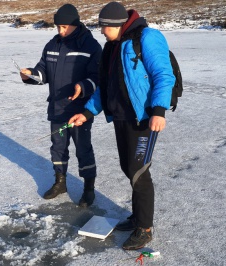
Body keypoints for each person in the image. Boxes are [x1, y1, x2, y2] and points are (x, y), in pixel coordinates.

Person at [68, 2, 175, 249]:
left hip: (144, 119)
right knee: (128, 167)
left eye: (104, 27)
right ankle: (138, 217)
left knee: (138, 170)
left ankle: (145, 228)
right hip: (120, 117)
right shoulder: (111, 47)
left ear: (116, 25)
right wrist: (87, 112)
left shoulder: (147, 37)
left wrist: (159, 111)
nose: (102, 32)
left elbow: (163, 74)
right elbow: (105, 88)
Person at [20, 4, 102, 207]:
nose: (61, 31)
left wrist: (82, 87)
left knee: (83, 149)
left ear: (75, 24)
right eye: (58, 27)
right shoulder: (52, 45)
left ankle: (89, 189)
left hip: (80, 110)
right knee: (58, 148)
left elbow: (97, 78)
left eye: (65, 27)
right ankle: (60, 182)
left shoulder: (90, 46)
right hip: (57, 108)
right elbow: (43, 72)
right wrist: (30, 75)